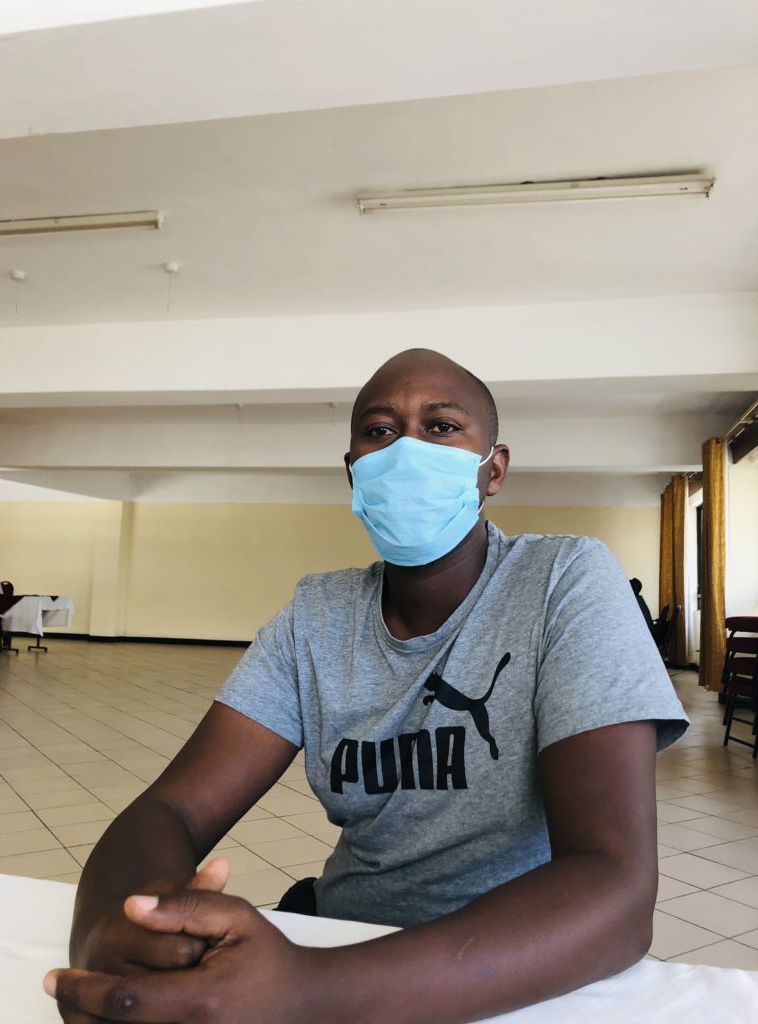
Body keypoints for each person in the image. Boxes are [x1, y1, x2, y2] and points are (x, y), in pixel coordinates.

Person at [45, 349, 688, 1024]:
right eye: (379, 431)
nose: (406, 449)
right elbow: (170, 811)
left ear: (492, 469)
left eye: (441, 428)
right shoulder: (318, 618)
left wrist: (313, 990)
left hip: (519, 963)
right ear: (353, 473)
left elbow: (615, 886)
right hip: (344, 932)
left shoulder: (565, 580)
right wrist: (115, 932)